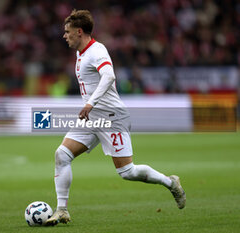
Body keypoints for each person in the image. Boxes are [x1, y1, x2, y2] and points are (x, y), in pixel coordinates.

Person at [45, 9, 186, 226]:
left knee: (127, 172)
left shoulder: (97, 50)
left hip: (111, 117)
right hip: (92, 118)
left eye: (68, 31)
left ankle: (170, 183)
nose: (65, 35)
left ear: (79, 32)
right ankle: (62, 210)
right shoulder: (80, 53)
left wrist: (91, 103)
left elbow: (109, 75)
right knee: (62, 155)